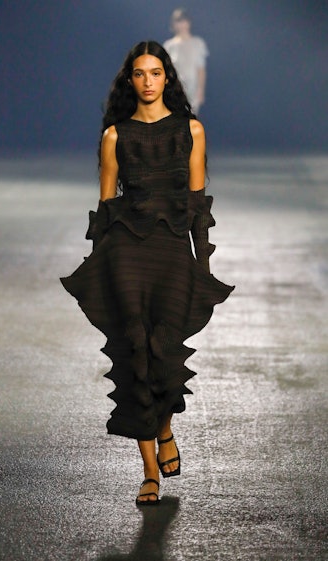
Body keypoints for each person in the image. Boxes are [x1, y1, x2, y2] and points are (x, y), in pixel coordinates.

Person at [60, 41, 233, 506]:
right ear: (130, 81)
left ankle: (166, 429)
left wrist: (203, 265)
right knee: (136, 351)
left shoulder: (190, 131)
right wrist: (99, 268)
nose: (149, 81)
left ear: (167, 79)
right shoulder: (116, 135)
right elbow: (106, 205)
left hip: (173, 251)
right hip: (126, 254)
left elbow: (197, 203)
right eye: (140, 73)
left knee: (166, 352)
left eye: (156, 72)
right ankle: (150, 470)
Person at [164, 8, 209, 115]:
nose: (182, 25)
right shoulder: (169, 46)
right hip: (175, 89)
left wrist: (200, 90)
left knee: (190, 120)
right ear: (174, 24)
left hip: (192, 90)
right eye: (179, 21)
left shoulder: (198, 43)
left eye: (184, 21)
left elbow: (201, 69)